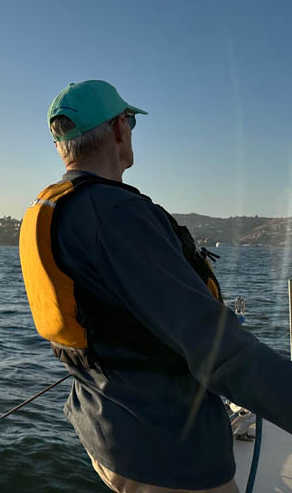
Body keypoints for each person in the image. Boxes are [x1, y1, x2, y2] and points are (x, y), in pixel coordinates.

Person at [19, 80, 292, 492]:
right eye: (130, 121)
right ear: (118, 129)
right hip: (166, 453)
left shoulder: (55, 209)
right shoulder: (117, 216)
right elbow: (217, 349)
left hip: (105, 430)